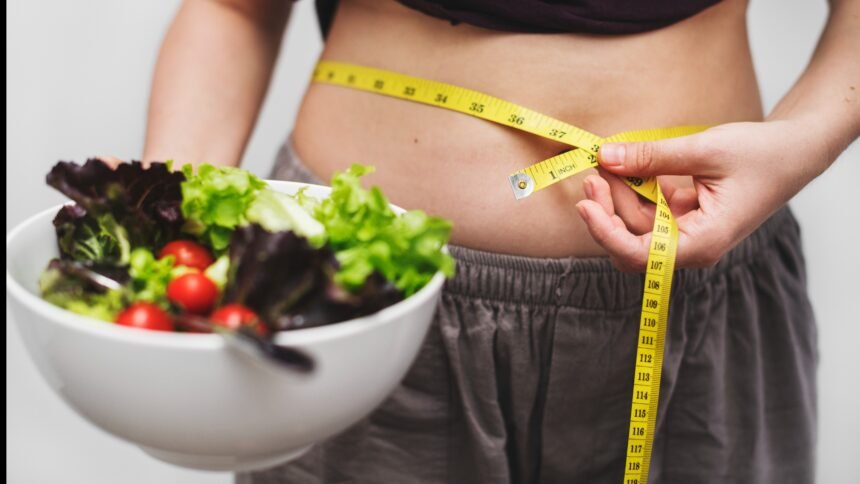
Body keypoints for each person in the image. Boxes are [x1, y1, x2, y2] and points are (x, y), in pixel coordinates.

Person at [140, 0, 859, 482]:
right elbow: (232, 7)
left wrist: (800, 142)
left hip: (695, 305)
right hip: (357, 315)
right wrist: (164, 220)